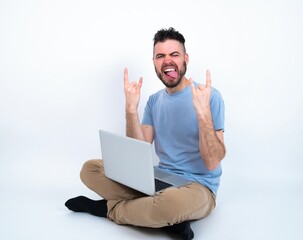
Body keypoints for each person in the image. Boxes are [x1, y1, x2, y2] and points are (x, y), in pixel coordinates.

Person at [65, 27, 226, 240]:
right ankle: (164, 219)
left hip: (197, 187)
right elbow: (138, 152)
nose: (167, 61)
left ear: (185, 58)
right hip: (158, 177)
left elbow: (212, 162)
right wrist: (131, 111)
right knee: (90, 169)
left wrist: (204, 114)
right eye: (161, 56)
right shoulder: (154, 101)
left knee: (171, 204)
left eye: (174, 54)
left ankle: (108, 209)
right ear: (154, 63)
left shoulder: (209, 97)